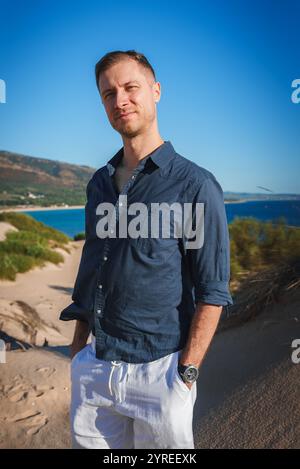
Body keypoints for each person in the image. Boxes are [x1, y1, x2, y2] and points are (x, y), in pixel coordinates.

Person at [59, 49, 233, 449]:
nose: (120, 100)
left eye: (130, 87)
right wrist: (77, 350)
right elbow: (92, 269)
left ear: (155, 91)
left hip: (160, 371)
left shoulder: (195, 185)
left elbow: (213, 290)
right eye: (108, 93)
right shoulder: (98, 184)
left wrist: (185, 373)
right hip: (95, 368)